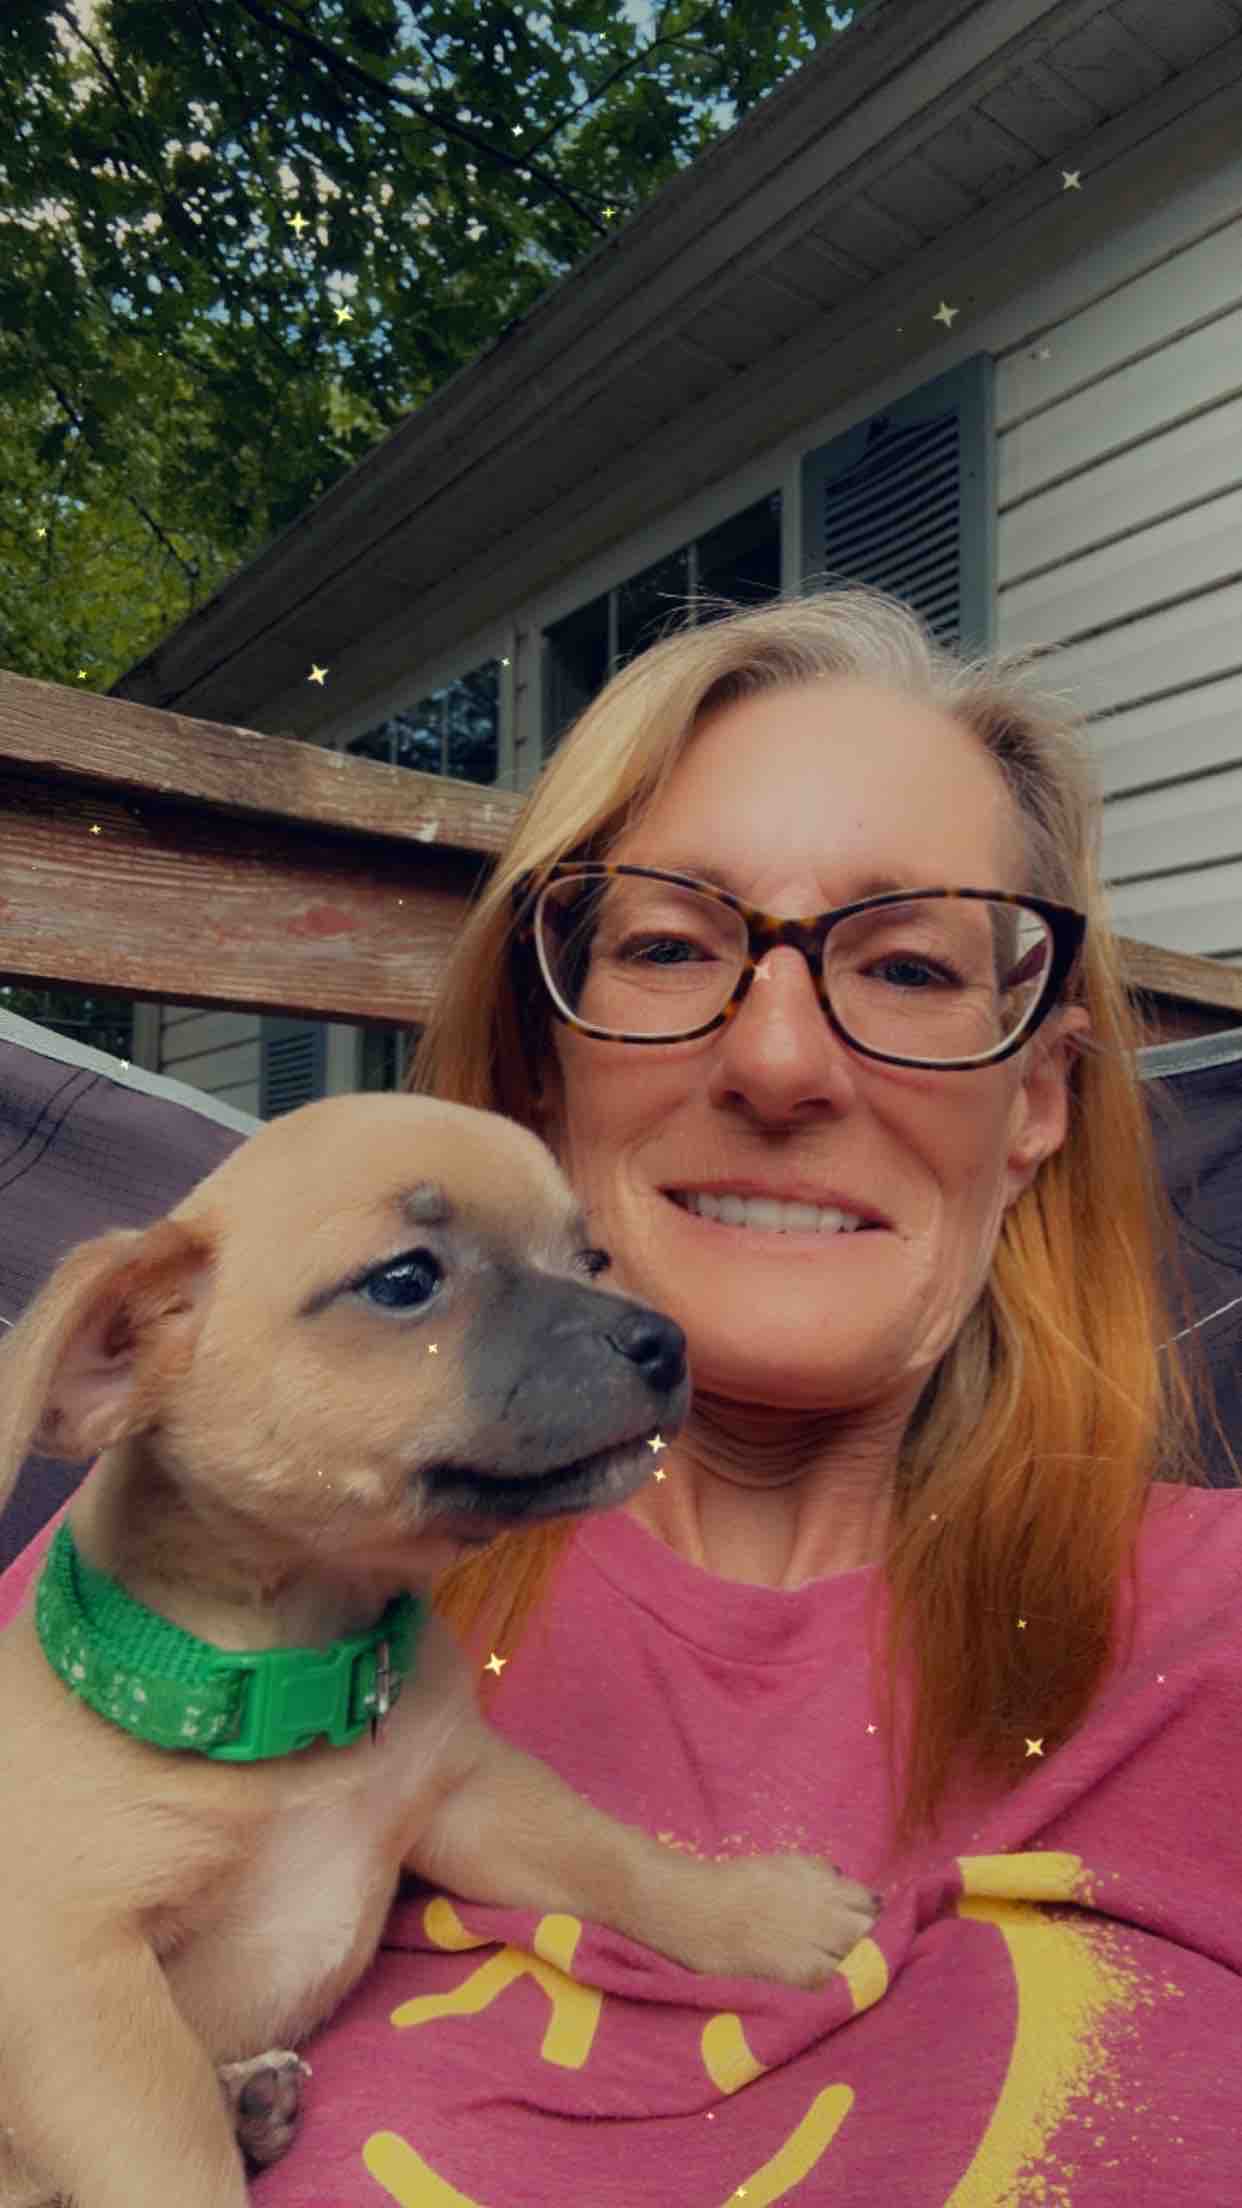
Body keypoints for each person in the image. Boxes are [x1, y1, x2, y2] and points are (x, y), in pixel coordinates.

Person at [1, 585, 1239, 2204]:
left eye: (907, 966)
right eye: (667, 947)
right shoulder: (169, 1563)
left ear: (1035, 1102)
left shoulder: (1211, 1633)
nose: (779, 1063)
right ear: (540, 1074)